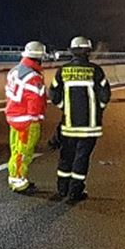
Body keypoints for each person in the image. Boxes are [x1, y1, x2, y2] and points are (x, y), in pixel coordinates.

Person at [49, 36, 111, 204]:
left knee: (66, 156)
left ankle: (62, 189)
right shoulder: (95, 71)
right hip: (90, 126)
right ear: (88, 51)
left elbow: (53, 95)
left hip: (68, 125)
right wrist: (97, 110)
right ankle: (75, 191)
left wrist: (64, 107)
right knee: (81, 157)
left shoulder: (62, 71)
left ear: (71, 51)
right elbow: (105, 95)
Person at [4, 41, 47, 194]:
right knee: (24, 152)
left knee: (16, 149)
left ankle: (15, 178)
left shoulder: (14, 71)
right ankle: (18, 181)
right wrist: (35, 118)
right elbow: (34, 101)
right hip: (27, 121)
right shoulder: (33, 76)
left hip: (14, 117)